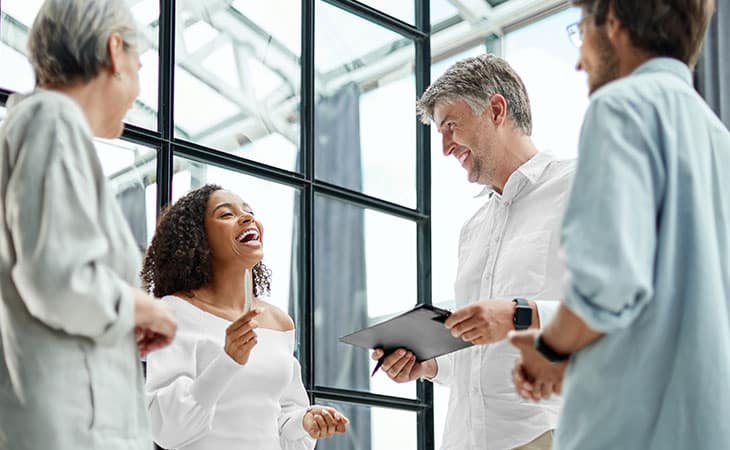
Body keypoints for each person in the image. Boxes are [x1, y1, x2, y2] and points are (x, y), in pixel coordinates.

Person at [508, 0, 730, 449]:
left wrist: (550, 351)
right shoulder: (719, 139)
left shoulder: (620, 107)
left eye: (580, 32)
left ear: (614, 21)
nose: (577, 60)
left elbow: (607, 287)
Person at [371, 54, 575, 450]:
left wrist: (517, 315)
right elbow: (477, 351)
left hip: (545, 432)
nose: (445, 148)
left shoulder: (579, 187)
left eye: (450, 126)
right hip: (466, 438)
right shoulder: (474, 229)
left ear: (496, 110)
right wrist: (430, 364)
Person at [0, 1, 177, 449]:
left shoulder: (30, 129)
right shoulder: (52, 120)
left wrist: (115, 318)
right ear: (115, 52)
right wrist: (142, 308)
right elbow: (59, 278)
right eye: (139, 64)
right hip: (72, 430)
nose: (138, 87)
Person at [143, 184, 349, 450]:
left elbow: (285, 419)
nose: (247, 218)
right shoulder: (173, 312)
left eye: (249, 212)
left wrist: (305, 422)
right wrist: (228, 360)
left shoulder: (279, 323)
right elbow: (167, 430)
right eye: (226, 215)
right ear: (198, 238)